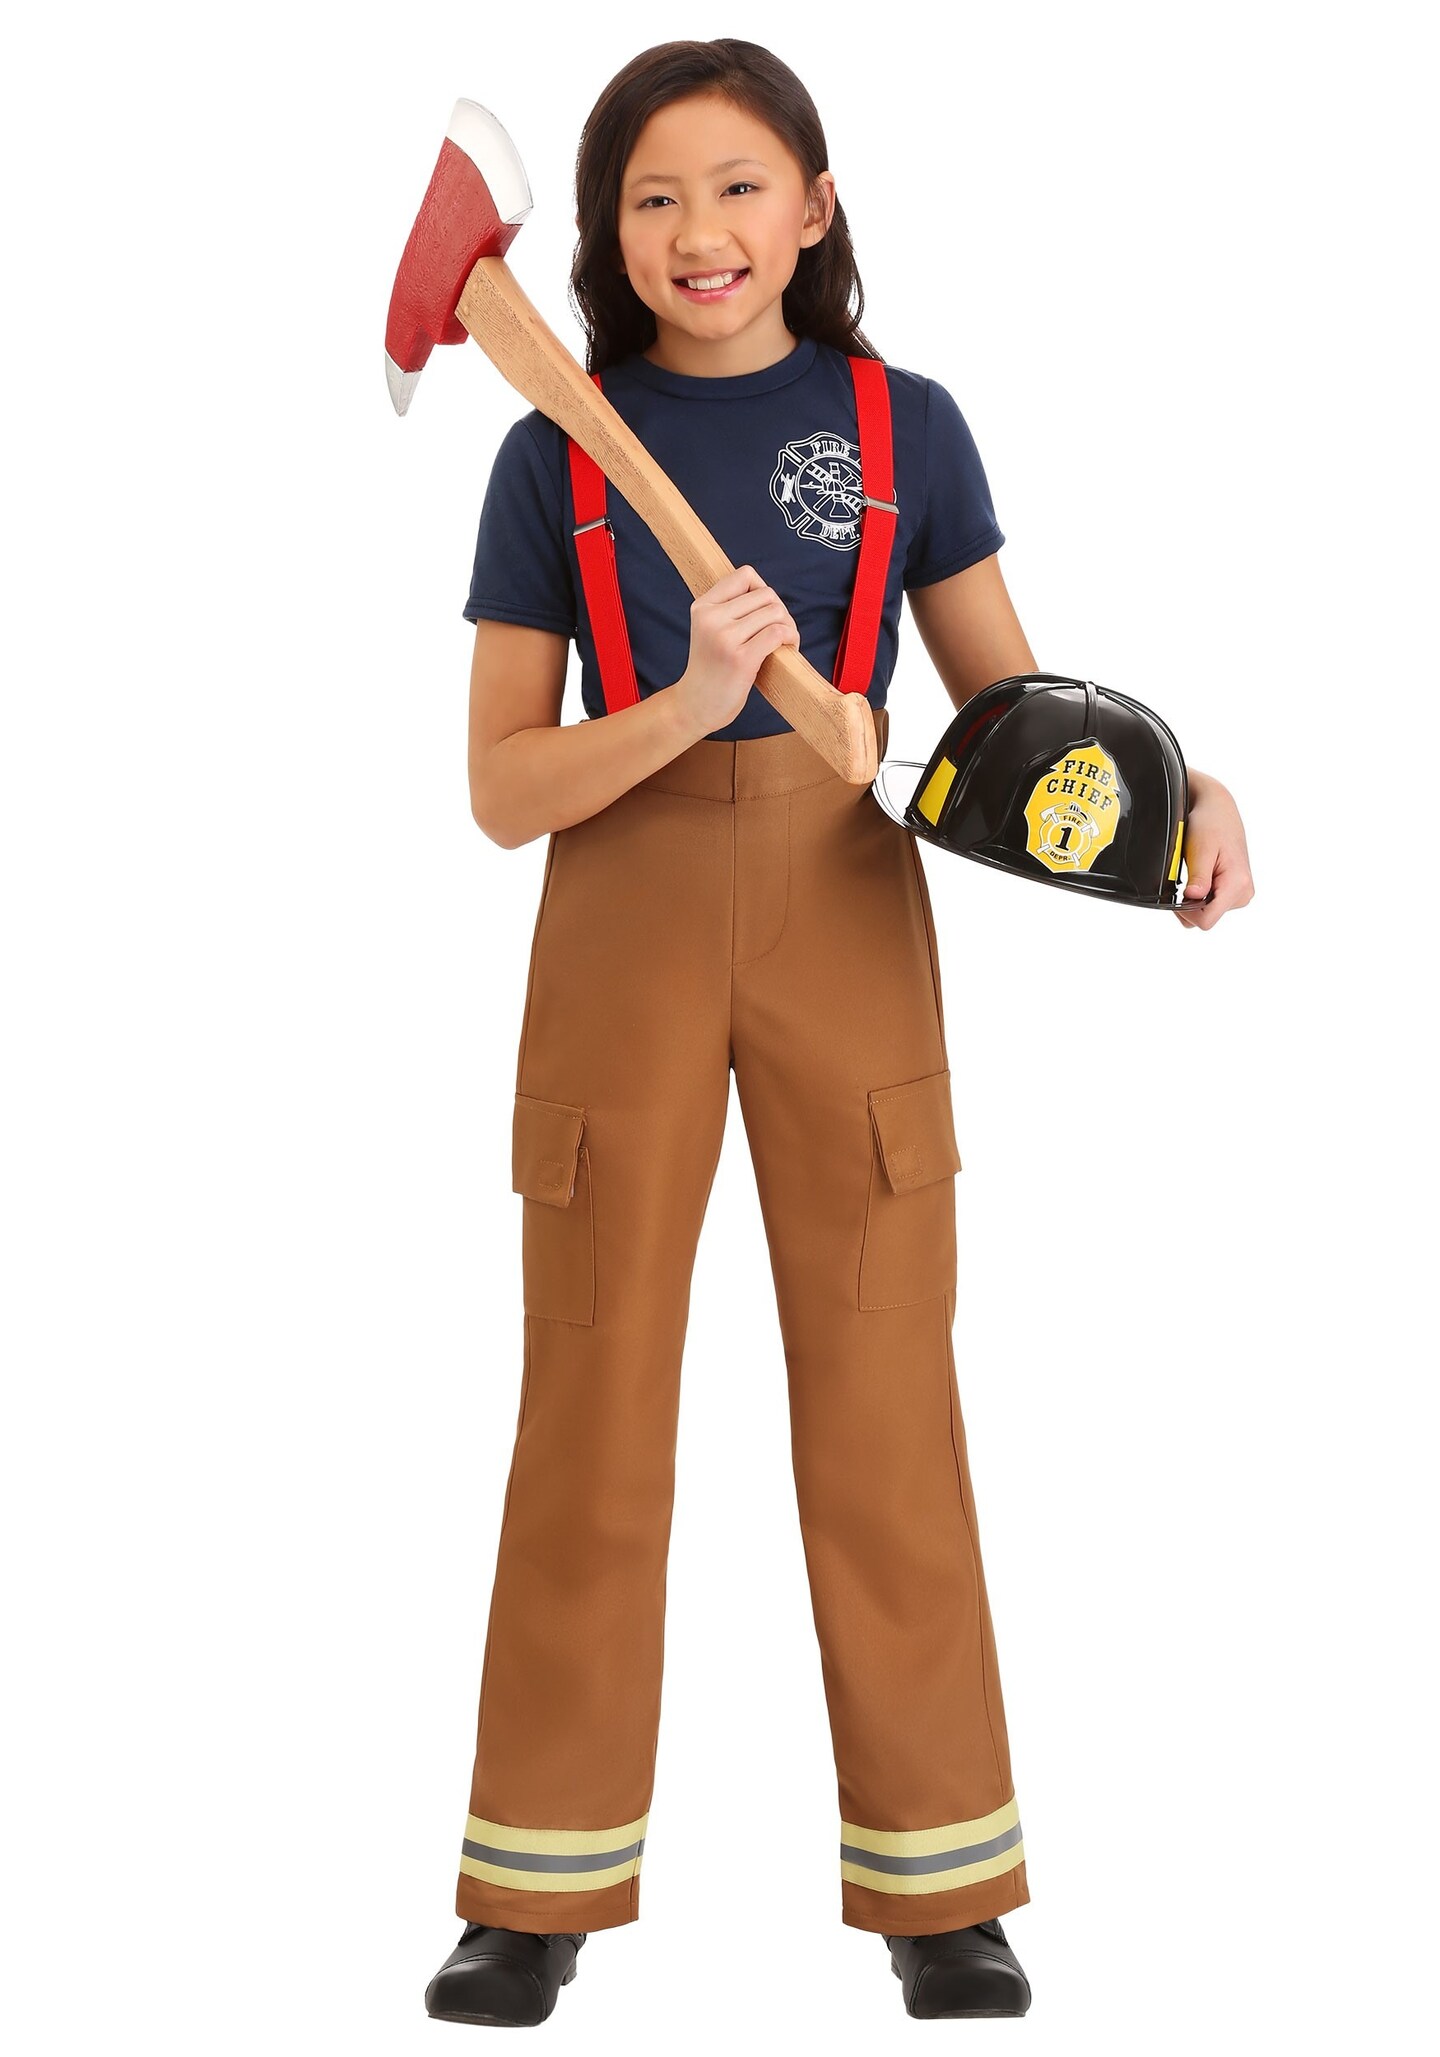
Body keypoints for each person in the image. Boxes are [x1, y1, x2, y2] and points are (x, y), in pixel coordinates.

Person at [423, 36, 1254, 2031]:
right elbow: (504, 790)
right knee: (593, 1396)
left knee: (887, 1398)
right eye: (651, 197)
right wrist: (686, 709)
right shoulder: (552, 454)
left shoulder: (908, 428)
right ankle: (535, 1885)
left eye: (738, 187)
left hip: (847, 906)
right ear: (607, 236)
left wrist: (1180, 805)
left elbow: (1009, 720)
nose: (697, 232)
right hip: (618, 917)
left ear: (814, 204)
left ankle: (940, 1884)